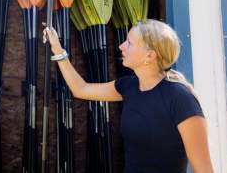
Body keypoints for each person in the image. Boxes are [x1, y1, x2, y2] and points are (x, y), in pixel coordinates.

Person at [43, 19, 214, 173]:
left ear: (150, 56)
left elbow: (204, 169)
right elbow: (81, 89)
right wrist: (58, 49)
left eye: (130, 43)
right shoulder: (129, 86)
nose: (121, 46)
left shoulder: (181, 99)